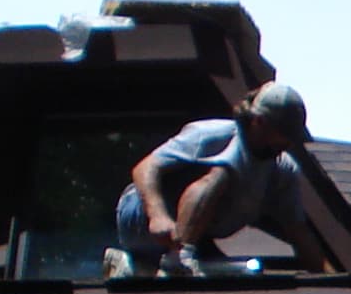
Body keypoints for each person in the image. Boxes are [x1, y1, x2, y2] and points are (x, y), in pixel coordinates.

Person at [110, 81, 320, 276]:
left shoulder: (281, 170)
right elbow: (145, 167)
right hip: (139, 216)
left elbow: (298, 231)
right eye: (284, 134)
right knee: (225, 168)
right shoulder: (214, 135)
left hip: (194, 238)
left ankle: (134, 268)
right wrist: (157, 215)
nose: (288, 143)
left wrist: (327, 279)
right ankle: (177, 259)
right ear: (259, 122)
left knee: (229, 280)